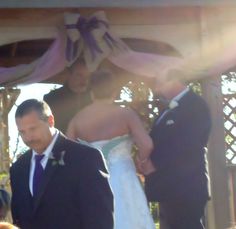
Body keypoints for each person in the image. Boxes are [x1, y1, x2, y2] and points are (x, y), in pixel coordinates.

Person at [66, 70, 156, 229]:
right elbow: (146, 144)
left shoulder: (77, 119)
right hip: (124, 179)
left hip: (92, 182)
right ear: (114, 91)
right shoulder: (125, 114)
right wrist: (142, 161)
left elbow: (67, 155)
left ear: (92, 92)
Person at [10, 99, 114, 229]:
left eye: (33, 129)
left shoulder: (85, 158)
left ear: (50, 121)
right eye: (22, 132)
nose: (29, 138)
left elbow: (99, 217)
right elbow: (19, 218)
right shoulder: (18, 168)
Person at [140, 69, 212, 229]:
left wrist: (155, 163)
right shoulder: (169, 109)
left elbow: (189, 144)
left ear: (174, 81)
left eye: (160, 84)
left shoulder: (195, 105)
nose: (157, 89)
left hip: (186, 185)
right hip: (170, 185)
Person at [44, 58, 92, 133]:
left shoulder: (93, 98)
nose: (84, 80)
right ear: (69, 74)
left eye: (87, 76)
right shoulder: (52, 98)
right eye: (79, 75)